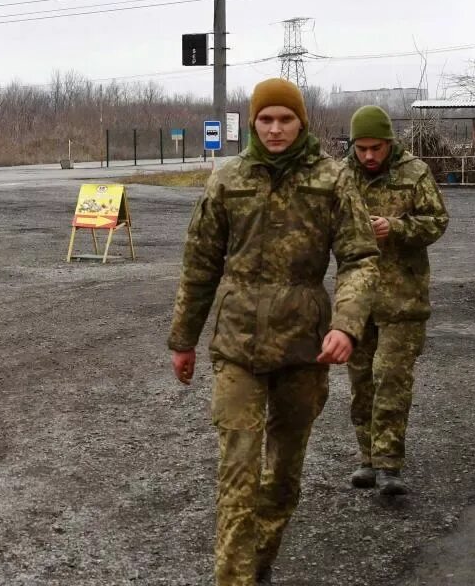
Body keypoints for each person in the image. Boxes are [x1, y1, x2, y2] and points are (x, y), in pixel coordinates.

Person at [167, 77, 380, 586]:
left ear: (301, 122)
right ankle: (234, 579)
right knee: (238, 470)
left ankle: (256, 564)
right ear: (254, 123)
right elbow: (199, 265)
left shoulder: (332, 180)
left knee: (282, 477)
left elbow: (360, 259)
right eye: (266, 119)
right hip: (237, 343)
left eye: (286, 119)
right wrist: (183, 340)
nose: (276, 128)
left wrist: (346, 325)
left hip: (304, 348)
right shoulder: (228, 180)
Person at [343, 105, 449, 497]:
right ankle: (367, 459)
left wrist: (397, 228)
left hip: (403, 299)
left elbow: (437, 221)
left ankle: (389, 465)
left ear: (389, 143)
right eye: (362, 148)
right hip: (357, 299)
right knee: (361, 381)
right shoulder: (341, 176)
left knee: (391, 379)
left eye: (376, 148)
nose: (369, 156)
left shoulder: (415, 173)